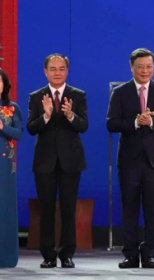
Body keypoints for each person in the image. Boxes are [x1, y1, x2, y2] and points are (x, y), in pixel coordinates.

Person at [106, 48, 154, 269]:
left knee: (152, 209)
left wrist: (152, 122)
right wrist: (136, 122)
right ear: (131, 67)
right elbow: (111, 123)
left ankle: (149, 254)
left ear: (153, 68)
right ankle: (130, 254)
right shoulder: (120, 92)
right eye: (140, 67)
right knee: (129, 209)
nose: (145, 71)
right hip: (129, 161)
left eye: (149, 67)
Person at [26, 54, 89, 269]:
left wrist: (70, 115)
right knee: (46, 210)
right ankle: (48, 256)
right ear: (45, 72)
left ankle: (67, 254)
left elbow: (83, 126)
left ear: (67, 71)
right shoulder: (36, 96)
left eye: (61, 68)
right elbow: (31, 128)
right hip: (44, 162)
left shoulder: (77, 95)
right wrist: (45, 116)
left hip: (71, 161)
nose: (57, 72)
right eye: (52, 69)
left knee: (68, 209)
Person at [0, 68, 23, 268]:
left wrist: (3, 127)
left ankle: (6, 257)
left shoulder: (12, 108)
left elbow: (19, 134)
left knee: (4, 207)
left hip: (5, 165)